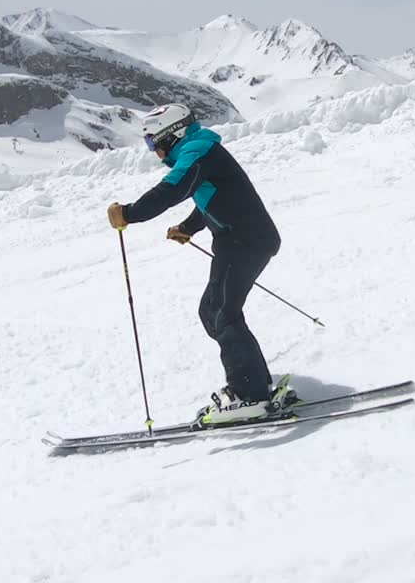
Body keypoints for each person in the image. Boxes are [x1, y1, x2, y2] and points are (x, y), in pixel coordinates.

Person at [107, 103, 290, 426]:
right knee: (214, 312)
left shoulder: (197, 152)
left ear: (171, 135)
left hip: (244, 241)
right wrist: (188, 228)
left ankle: (250, 396)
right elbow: (210, 195)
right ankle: (255, 386)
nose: (155, 152)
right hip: (236, 240)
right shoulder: (199, 149)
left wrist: (129, 213)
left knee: (222, 313)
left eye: (153, 143)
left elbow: (174, 188)